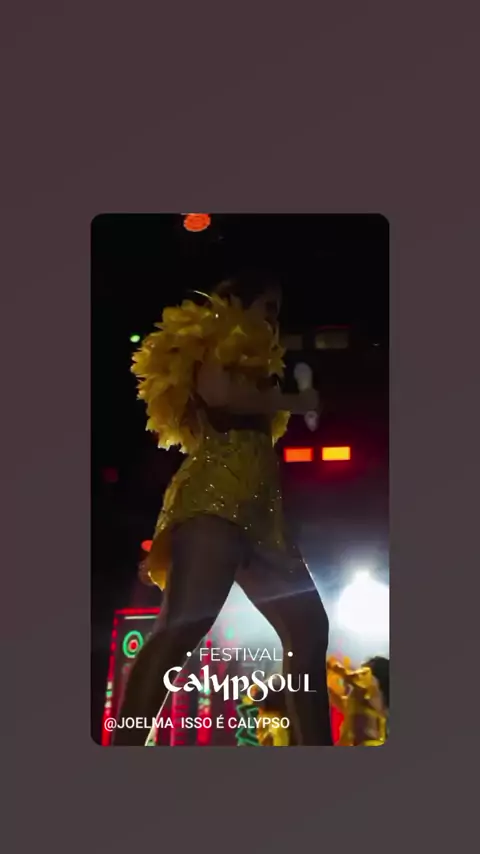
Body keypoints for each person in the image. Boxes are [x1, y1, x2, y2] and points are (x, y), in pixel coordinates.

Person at [114, 270, 332, 746]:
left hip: (262, 516)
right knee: (180, 629)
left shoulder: (254, 363)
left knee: (309, 628)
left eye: (277, 311)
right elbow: (219, 394)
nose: (273, 319)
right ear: (234, 304)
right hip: (215, 502)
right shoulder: (213, 342)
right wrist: (293, 399)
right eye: (267, 307)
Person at [327, 655, 389, 746]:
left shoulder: (371, 685)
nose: (360, 672)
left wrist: (332, 665)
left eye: (363, 671)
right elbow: (339, 702)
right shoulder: (360, 703)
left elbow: (348, 675)